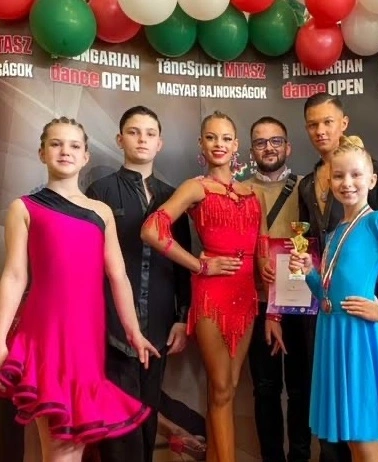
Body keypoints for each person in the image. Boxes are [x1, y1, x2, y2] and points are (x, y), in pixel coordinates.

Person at [0, 117, 159, 462]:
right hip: (45, 334)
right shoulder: (23, 208)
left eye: (74, 145)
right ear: (41, 152)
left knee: (75, 441)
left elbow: (118, 275)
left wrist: (134, 331)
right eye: (56, 144)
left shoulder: (101, 211)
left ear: (85, 156)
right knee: (59, 443)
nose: (65, 151)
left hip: (87, 338)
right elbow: (14, 275)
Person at [289, 135, 378, 462]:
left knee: (363, 437)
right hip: (333, 332)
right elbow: (325, 295)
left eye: (356, 175)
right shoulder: (334, 231)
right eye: (338, 176)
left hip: (360, 336)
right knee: (354, 441)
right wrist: (309, 272)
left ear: (372, 180)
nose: (347, 183)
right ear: (329, 181)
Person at [141, 110, 268, 462]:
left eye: (226, 138)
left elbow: (262, 247)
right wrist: (200, 265)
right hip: (212, 295)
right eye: (211, 137)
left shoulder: (253, 193)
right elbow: (151, 229)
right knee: (222, 386)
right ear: (201, 144)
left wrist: (272, 291)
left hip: (246, 295)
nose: (219, 144)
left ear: (236, 145)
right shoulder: (195, 187)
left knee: (228, 389)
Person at [85, 105, 191, 462]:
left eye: (150, 133)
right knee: (117, 418)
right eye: (133, 132)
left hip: (160, 325)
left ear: (160, 143)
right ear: (120, 139)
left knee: (148, 413)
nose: (142, 139)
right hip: (112, 327)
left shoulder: (174, 197)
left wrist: (182, 317)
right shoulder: (99, 191)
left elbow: (183, 263)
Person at [298, 92, 378, 462]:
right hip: (325, 303)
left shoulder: (372, 173)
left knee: (366, 418)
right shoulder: (307, 183)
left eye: (328, 121)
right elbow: (309, 239)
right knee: (335, 412)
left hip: (361, 305)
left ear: (343, 123)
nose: (321, 130)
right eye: (313, 124)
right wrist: (308, 272)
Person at [244, 116, 311, 462]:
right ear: (251, 150)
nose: (268, 148)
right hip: (257, 302)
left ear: (288, 147)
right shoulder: (240, 191)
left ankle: (300, 457)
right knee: (266, 389)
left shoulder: (308, 187)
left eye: (276, 141)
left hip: (300, 300)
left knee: (301, 388)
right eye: (260, 142)